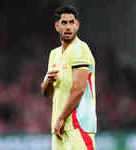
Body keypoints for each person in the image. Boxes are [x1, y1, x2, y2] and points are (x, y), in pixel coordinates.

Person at [41, 5, 97, 150]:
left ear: (77, 25)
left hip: (78, 126)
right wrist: (47, 82)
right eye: (64, 23)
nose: (68, 27)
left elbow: (78, 89)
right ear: (56, 26)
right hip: (59, 129)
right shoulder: (54, 54)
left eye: (72, 22)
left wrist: (61, 118)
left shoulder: (80, 49)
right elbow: (46, 93)